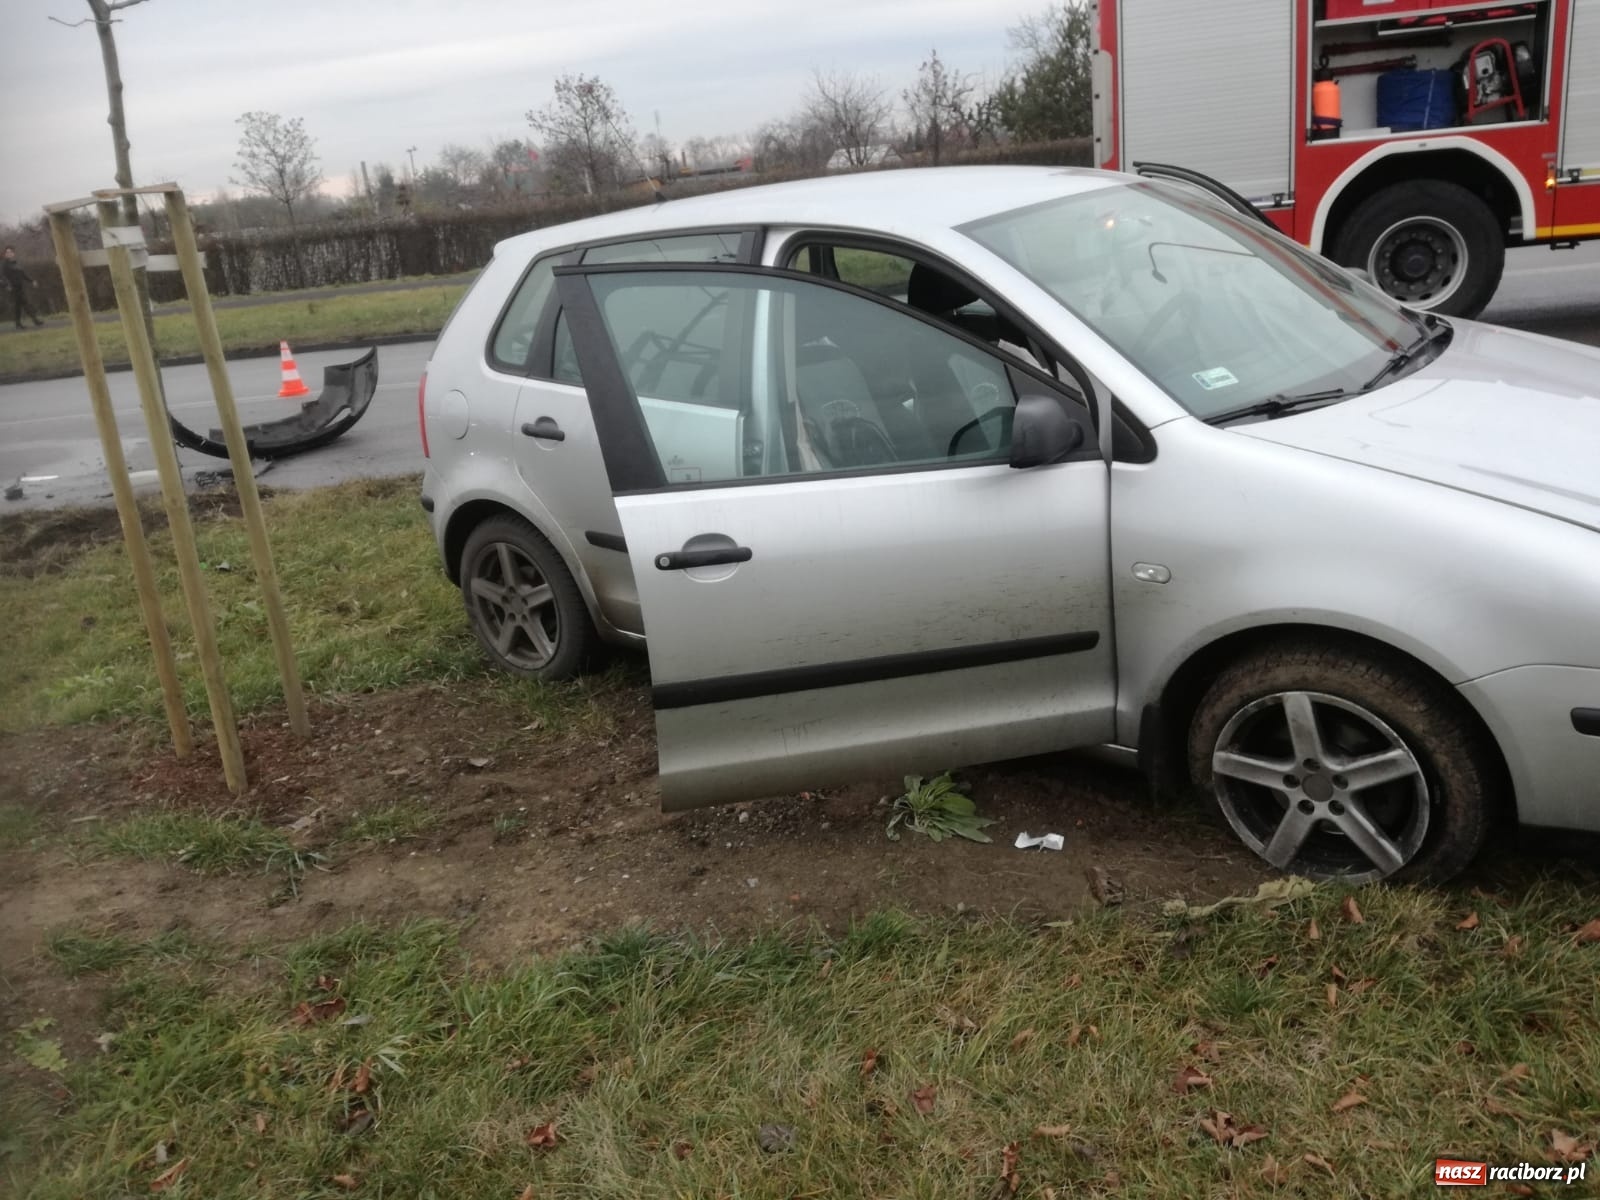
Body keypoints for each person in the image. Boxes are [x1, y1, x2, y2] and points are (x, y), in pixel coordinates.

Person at [3, 246, 45, 329]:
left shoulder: (16, 263)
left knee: (18, 305)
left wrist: (32, 281)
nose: (9, 254)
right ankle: (35, 320)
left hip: (20, 287)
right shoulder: (4, 264)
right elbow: (2, 276)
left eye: (10, 252)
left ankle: (18, 324)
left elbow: (23, 274)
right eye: (7, 252)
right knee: (25, 304)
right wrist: (6, 285)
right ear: (5, 254)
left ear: (13, 253)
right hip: (12, 288)